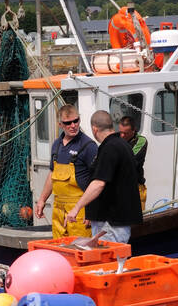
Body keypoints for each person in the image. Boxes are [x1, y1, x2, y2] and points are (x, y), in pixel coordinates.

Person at [64, 110, 142, 245]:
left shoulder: (110, 148)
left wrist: (76, 208)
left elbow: (99, 183)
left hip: (111, 225)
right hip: (115, 221)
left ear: (94, 129)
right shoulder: (122, 145)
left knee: (107, 263)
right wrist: (91, 212)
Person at [32, 104, 97, 238]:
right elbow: (52, 174)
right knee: (60, 249)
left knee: (81, 249)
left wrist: (92, 211)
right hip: (59, 210)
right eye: (68, 123)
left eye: (76, 121)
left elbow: (97, 181)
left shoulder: (89, 146)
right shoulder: (56, 145)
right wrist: (42, 200)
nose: (73, 125)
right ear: (60, 124)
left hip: (80, 210)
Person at [118, 115, 148, 210]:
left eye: (125, 133)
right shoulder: (116, 139)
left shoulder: (141, 141)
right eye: (120, 132)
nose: (122, 135)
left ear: (133, 130)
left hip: (136, 188)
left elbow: (130, 159)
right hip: (119, 188)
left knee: (137, 223)